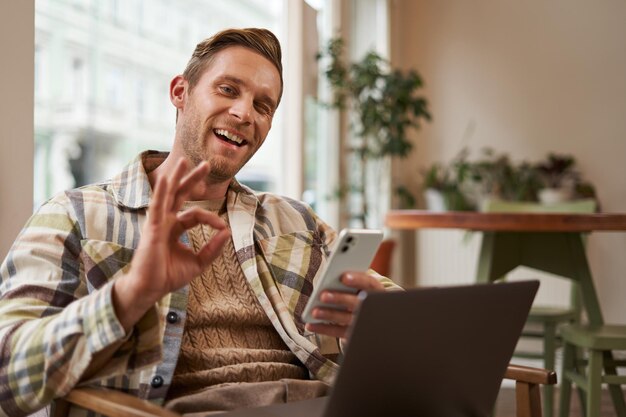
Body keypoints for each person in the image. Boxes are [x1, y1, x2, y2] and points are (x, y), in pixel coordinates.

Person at [0, 28, 400, 417]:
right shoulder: (75, 214)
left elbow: (415, 323)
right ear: (180, 92)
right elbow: (7, 376)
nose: (245, 113)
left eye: (263, 106)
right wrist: (130, 294)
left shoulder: (294, 219)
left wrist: (379, 323)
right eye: (228, 89)